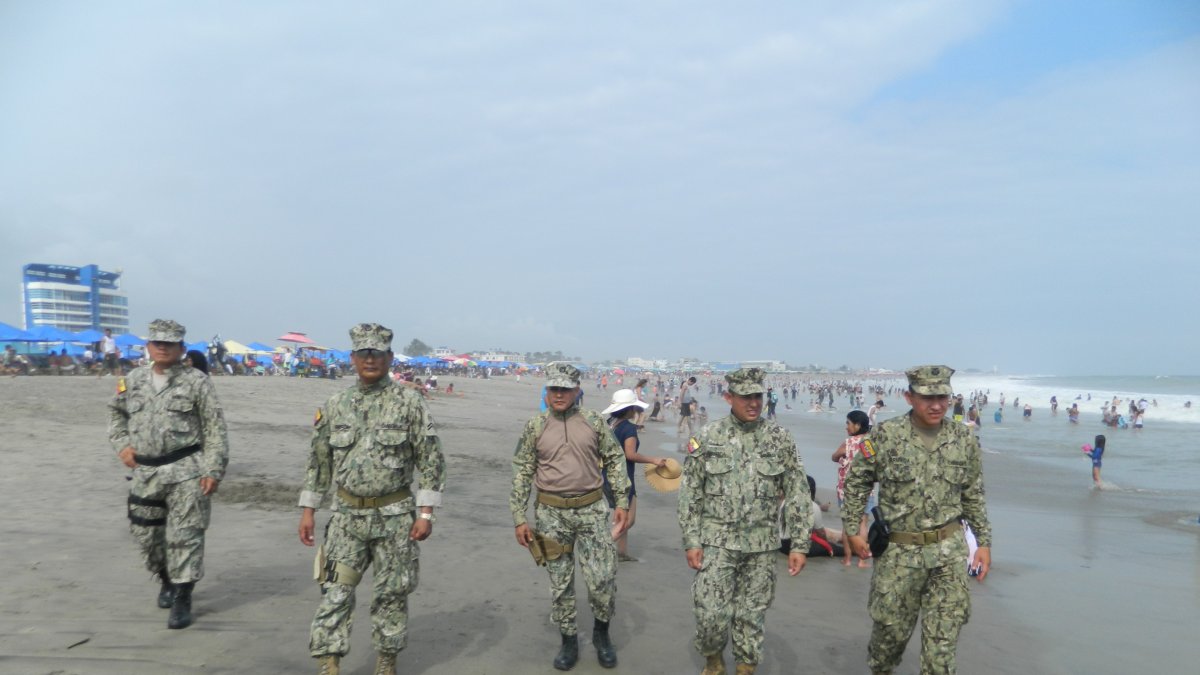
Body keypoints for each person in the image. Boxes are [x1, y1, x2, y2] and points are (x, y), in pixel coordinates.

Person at [297, 324, 446, 675]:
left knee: (391, 595)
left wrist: (426, 514)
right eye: (363, 353)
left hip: (395, 518)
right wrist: (308, 511)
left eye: (376, 353)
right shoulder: (335, 405)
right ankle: (329, 662)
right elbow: (318, 461)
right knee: (334, 590)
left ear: (389, 358)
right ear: (352, 358)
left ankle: (386, 660)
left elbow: (431, 460)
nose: (369, 359)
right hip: (346, 518)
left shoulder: (409, 402)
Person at [842, 365, 992, 675]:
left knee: (942, 647)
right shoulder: (884, 436)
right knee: (889, 639)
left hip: (948, 554)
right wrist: (852, 529)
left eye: (943, 396)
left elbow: (973, 494)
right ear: (910, 397)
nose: (936, 404)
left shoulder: (964, 440)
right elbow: (857, 482)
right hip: (899, 554)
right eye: (927, 397)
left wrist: (984, 542)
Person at [678, 368, 813, 675]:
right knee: (710, 614)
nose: (753, 403)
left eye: (758, 396)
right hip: (716, 542)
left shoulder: (780, 439)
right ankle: (713, 660)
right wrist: (691, 540)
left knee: (751, 616)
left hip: (762, 546)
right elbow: (690, 493)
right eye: (746, 397)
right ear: (729, 397)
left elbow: (798, 493)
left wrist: (800, 544)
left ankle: (744, 668)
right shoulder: (708, 437)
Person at [107, 319, 229, 630]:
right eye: (156, 342)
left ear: (181, 348)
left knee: (185, 535)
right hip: (145, 472)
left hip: (186, 470)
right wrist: (122, 445)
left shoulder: (196, 381)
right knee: (147, 536)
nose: (162, 347)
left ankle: (182, 596)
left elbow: (215, 428)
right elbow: (116, 414)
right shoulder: (132, 380)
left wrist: (213, 468)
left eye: (169, 343)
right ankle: (165, 578)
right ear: (148, 346)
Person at [510, 362, 630, 671]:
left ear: (577, 391)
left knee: (602, 578)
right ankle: (568, 640)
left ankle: (602, 636)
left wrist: (622, 500)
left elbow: (615, 458)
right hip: (549, 514)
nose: (559, 394)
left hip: (592, 510)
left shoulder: (593, 421)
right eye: (554, 389)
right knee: (559, 582)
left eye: (565, 389)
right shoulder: (534, 426)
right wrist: (519, 517)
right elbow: (522, 470)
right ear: (547, 392)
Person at [601, 388, 667, 562]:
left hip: (607, 475)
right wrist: (654, 460)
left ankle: (622, 553)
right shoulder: (629, 428)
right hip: (623, 478)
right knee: (628, 520)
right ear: (629, 409)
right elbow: (630, 454)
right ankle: (601, 547)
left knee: (620, 515)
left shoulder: (610, 423)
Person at [832, 410, 872, 568]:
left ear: (857, 425)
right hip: (866, 489)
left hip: (846, 489)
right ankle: (862, 560)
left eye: (848, 423)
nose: (846, 427)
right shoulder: (869, 443)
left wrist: (843, 458)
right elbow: (873, 461)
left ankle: (847, 559)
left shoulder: (848, 443)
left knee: (847, 523)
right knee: (862, 523)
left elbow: (834, 456)